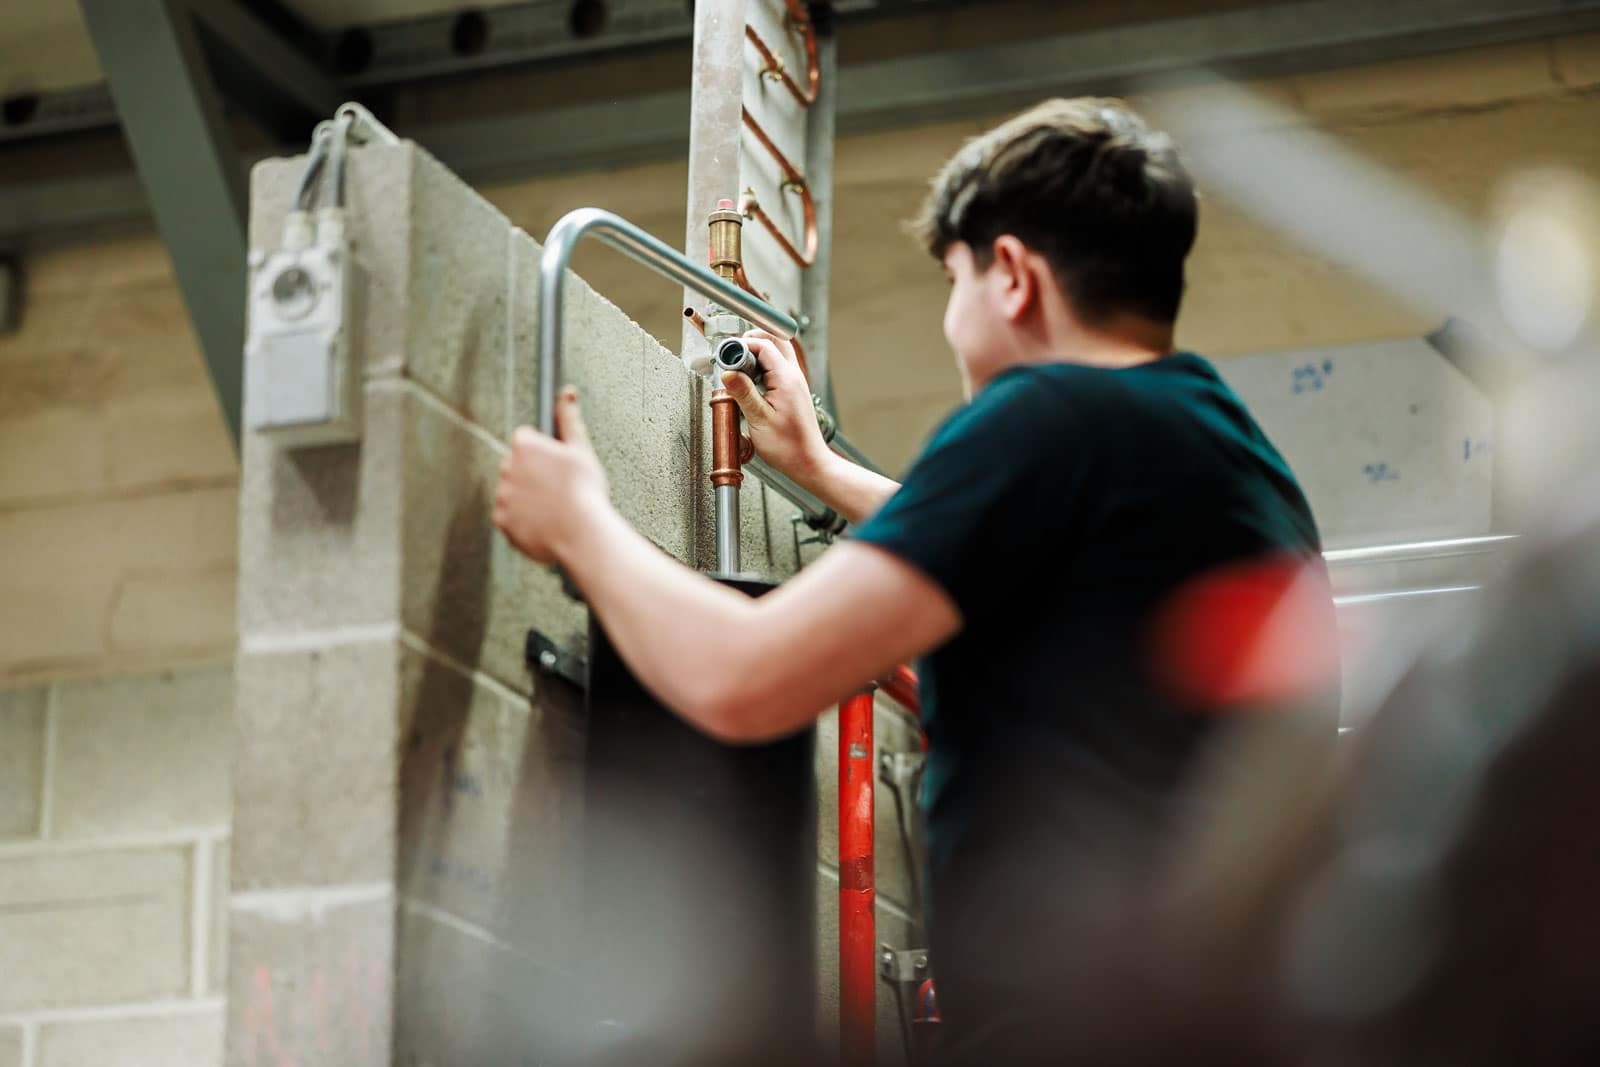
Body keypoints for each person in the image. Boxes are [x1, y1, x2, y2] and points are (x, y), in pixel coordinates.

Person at [494, 97, 1336, 1063]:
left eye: (954, 281)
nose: (952, 319)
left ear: (1012, 275)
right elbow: (1039, 561)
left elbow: (745, 676)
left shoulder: (1046, 415)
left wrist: (583, 524)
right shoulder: (1231, 456)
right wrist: (822, 470)